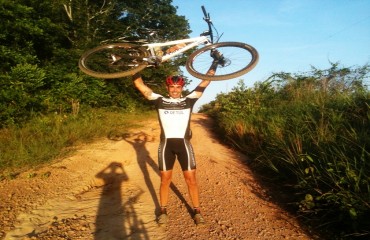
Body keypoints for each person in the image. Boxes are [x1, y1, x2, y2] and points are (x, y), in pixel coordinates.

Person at [132, 63, 217, 225]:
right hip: (166, 146)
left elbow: (205, 81)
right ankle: (163, 210)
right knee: (165, 179)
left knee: (191, 179)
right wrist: (135, 66)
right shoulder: (159, 100)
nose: (175, 90)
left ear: (182, 88)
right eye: (172, 87)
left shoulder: (189, 100)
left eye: (178, 87)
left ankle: (197, 211)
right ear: (167, 88)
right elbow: (139, 84)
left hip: (184, 145)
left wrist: (214, 63)